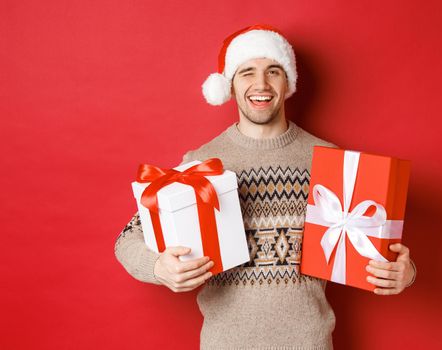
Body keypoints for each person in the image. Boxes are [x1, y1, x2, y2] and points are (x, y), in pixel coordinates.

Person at [114, 24, 416, 350]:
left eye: (273, 71)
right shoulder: (201, 162)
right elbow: (128, 239)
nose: (261, 84)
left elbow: (378, 253)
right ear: (230, 84)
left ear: (288, 82)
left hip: (309, 344)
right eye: (247, 72)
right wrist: (159, 267)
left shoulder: (331, 160)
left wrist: (405, 272)